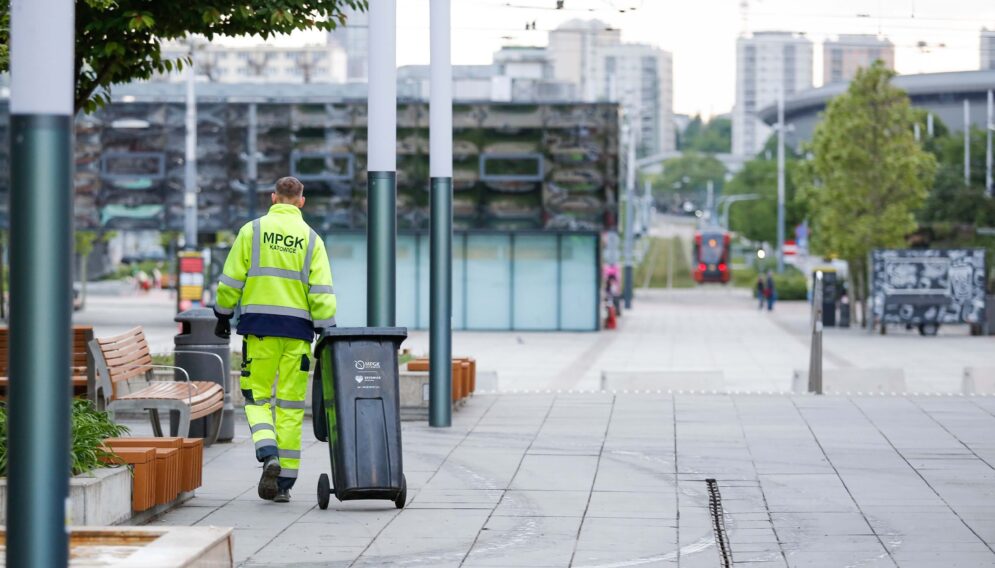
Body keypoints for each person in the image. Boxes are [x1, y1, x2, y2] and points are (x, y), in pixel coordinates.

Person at [213, 176, 337, 503]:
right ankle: (284, 484)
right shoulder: (312, 239)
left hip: (260, 330)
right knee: (291, 406)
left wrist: (223, 315)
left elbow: (231, 280)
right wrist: (326, 328)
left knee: (256, 396)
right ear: (301, 201)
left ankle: (267, 452)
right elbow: (321, 290)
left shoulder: (251, 232)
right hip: (298, 335)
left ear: (273, 198)